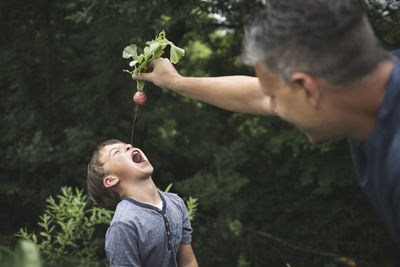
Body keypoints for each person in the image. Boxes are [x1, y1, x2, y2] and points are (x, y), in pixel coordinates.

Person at [132, 0, 400, 247]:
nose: (270, 106)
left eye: (274, 98)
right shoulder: (366, 85)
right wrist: (175, 82)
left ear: (308, 89)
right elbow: (257, 94)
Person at [86, 139, 198, 267]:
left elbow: (188, 262)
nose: (128, 146)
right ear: (111, 180)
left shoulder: (176, 202)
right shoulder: (123, 225)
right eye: (116, 152)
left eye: (127, 146)